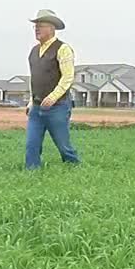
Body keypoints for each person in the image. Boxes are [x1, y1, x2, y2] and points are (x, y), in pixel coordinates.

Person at [24, 9, 81, 169]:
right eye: (35, 26)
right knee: (31, 145)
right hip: (36, 107)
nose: (37, 29)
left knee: (63, 146)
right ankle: (32, 173)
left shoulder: (63, 49)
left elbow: (68, 77)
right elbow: (34, 79)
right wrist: (30, 102)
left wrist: (53, 97)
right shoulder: (34, 51)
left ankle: (73, 167)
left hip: (58, 107)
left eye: (40, 26)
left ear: (52, 28)